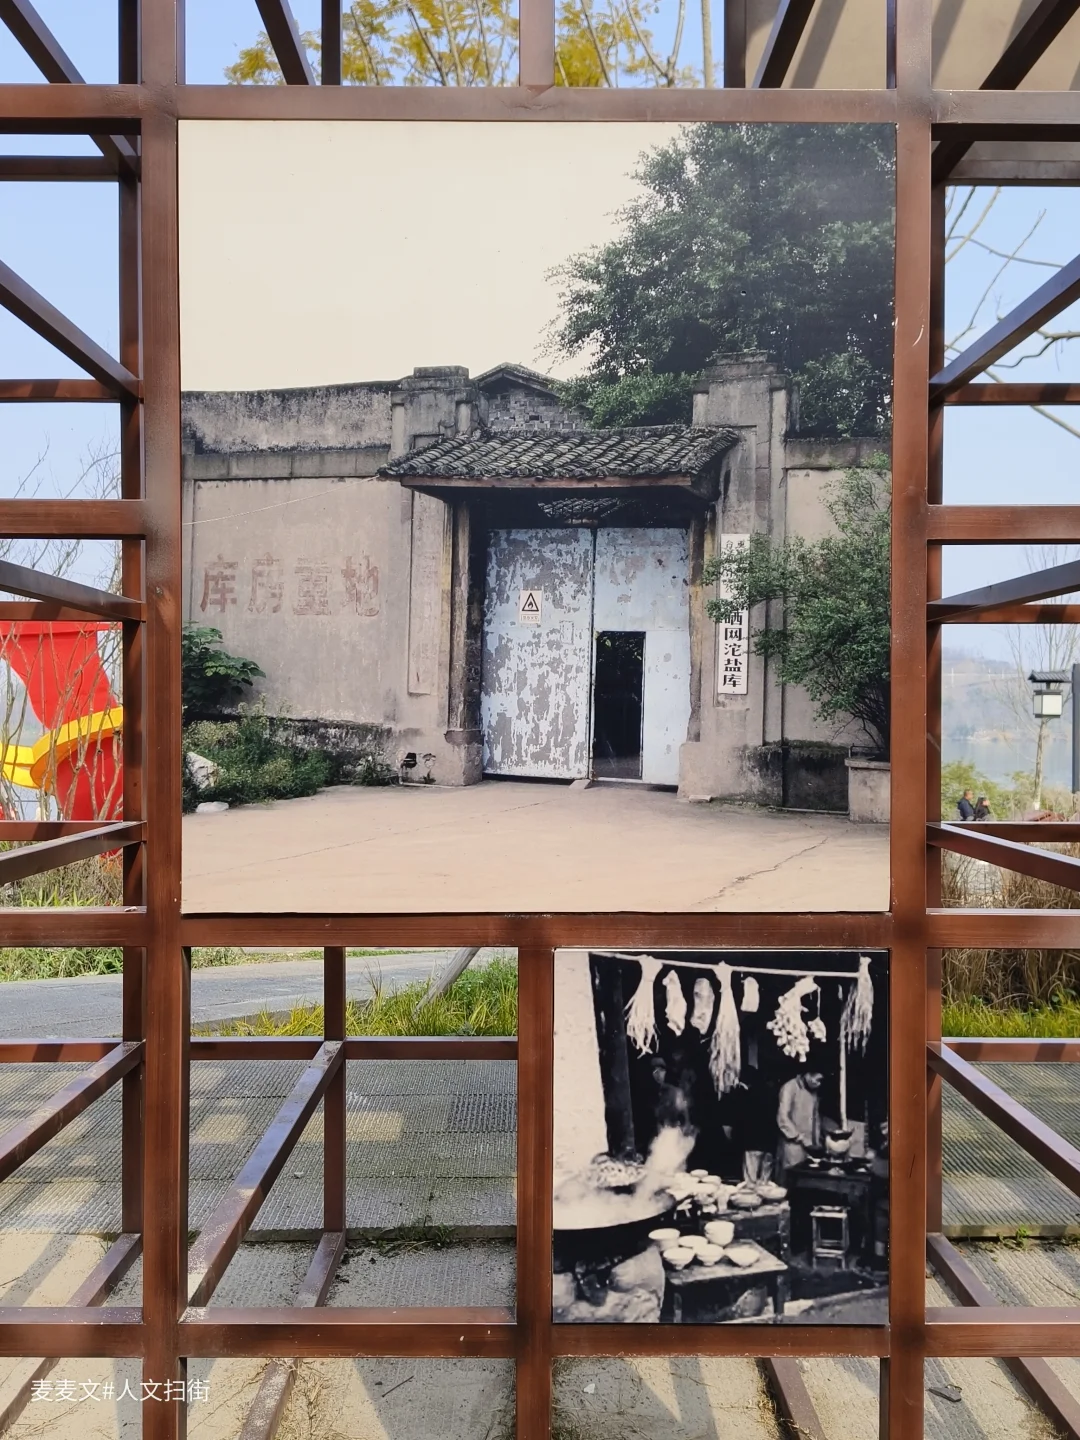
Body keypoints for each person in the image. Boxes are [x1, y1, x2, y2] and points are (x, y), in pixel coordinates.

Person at [775, 1070, 822, 1181]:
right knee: (789, 1180)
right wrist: (801, 1138)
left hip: (810, 1148)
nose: (818, 1083)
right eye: (817, 1080)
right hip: (792, 1146)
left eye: (821, 1081)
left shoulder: (813, 1091)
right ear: (808, 1074)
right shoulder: (789, 1088)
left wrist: (817, 1142)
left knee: (806, 1182)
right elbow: (783, 1118)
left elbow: (815, 1118)